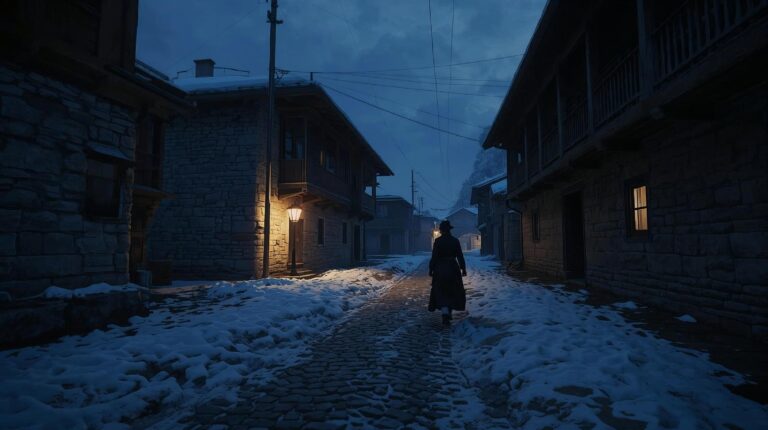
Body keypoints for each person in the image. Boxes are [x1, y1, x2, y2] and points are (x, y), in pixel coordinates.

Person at [428, 220, 467, 325]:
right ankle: (448, 312)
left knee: (441, 291)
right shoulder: (455, 241)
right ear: (449, 230)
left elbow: (434, 256)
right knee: (452, 290)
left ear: (441, 230)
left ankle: (445, 313)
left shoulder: (438, 241)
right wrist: (463, 268)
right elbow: (460, 256)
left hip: (440, 268)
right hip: (453, 268)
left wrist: (431, 269)